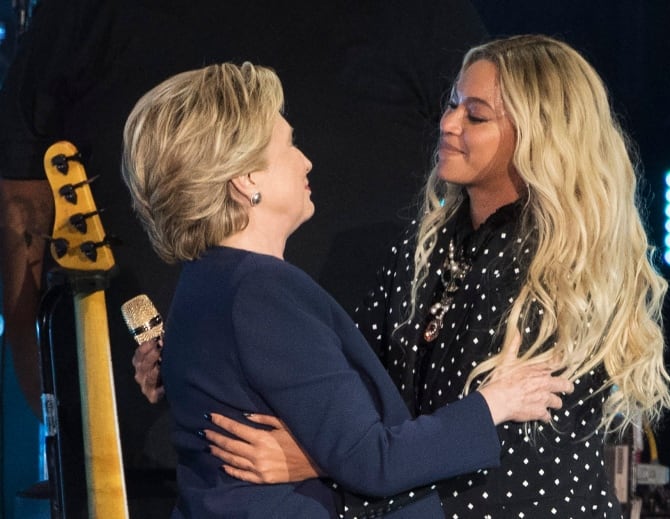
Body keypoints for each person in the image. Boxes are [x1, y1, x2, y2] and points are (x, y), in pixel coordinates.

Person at [149, 34, 670, 518]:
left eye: (476, 116)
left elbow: (507, 455)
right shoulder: (425, 246)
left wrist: (320, 462)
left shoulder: (563, 265)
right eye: (452, 105)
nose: (448, 124)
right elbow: (353, 388)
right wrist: (205, 360)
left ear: (539, 136)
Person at [0, 1, 485, 516]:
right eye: (290, 145)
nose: (307, 159)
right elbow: (372, 457)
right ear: (245, 179)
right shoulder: (264, 290)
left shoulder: (206, 281)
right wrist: (493, 408)